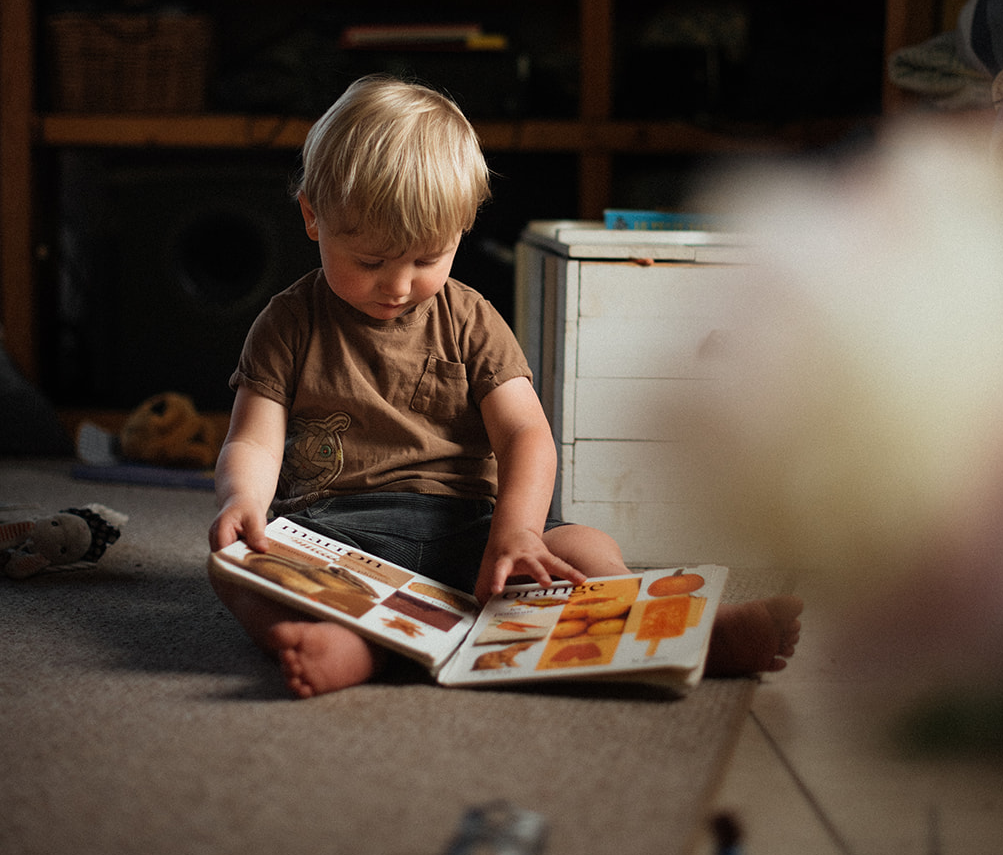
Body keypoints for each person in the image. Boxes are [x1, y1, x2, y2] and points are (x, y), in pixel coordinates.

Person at [208, 75, 802, 699]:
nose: (399, 285)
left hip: (471, 534)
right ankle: (357, 647)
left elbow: (525, 434)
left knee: (581, 542)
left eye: (427, 260)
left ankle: (679, 634)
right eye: (371, 261)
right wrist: (241, 501)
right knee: (233, 567)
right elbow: (253, 439)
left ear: (462, 230)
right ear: (312, 216)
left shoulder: (471, 320)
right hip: (338, 539)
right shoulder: (287, 323)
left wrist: (516, 533)